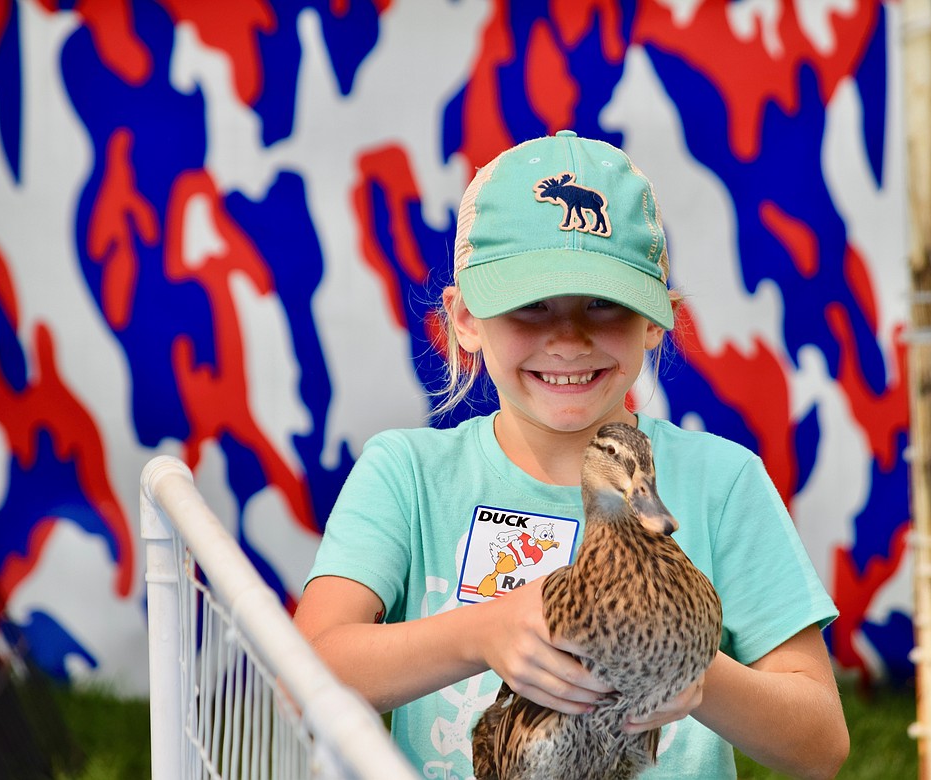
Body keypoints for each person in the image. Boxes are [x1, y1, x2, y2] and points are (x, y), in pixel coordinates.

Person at [293, 130, 849, 779]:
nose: (568, 337)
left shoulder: (722, 481)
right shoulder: (406, 473)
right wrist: (479, 634)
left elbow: (820, 745)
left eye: (603, 303)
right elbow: (300, 673)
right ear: (465, 317)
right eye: (530, 305)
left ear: (656, 319)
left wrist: (693, 669)